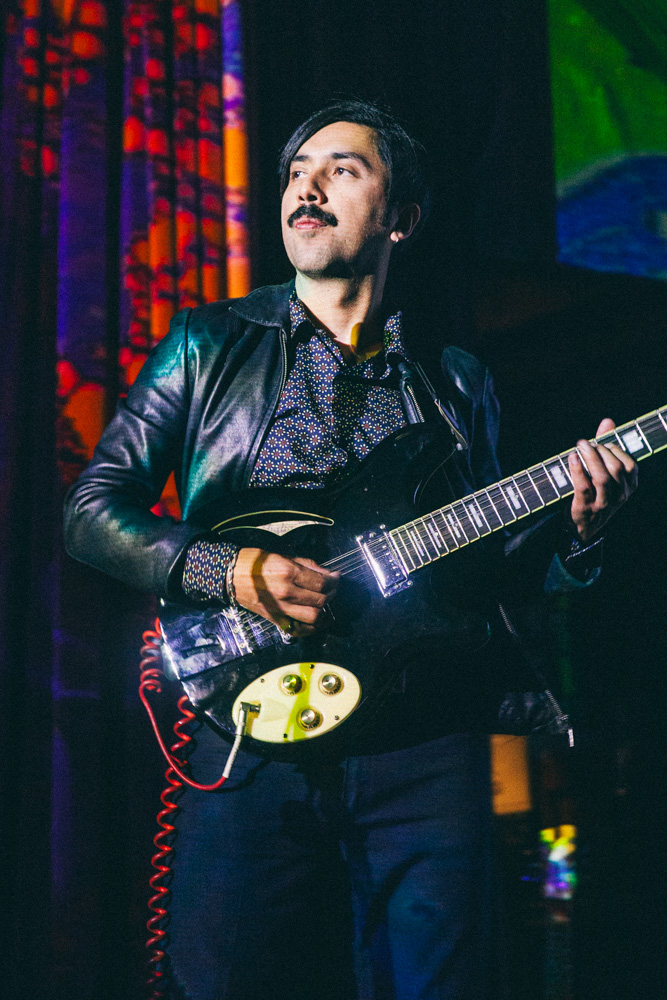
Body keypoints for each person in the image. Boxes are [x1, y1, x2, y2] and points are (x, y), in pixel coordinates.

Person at [64, 100, 637, 1000]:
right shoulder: (209, 345)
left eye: (342, 168)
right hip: (247, 725)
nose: (306, 184)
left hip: (420, 734)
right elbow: (92, 512)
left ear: (400, 218)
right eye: (296, 171)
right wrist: (236, 571)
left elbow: (481, 573)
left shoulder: (455, 380)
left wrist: (575, 530)